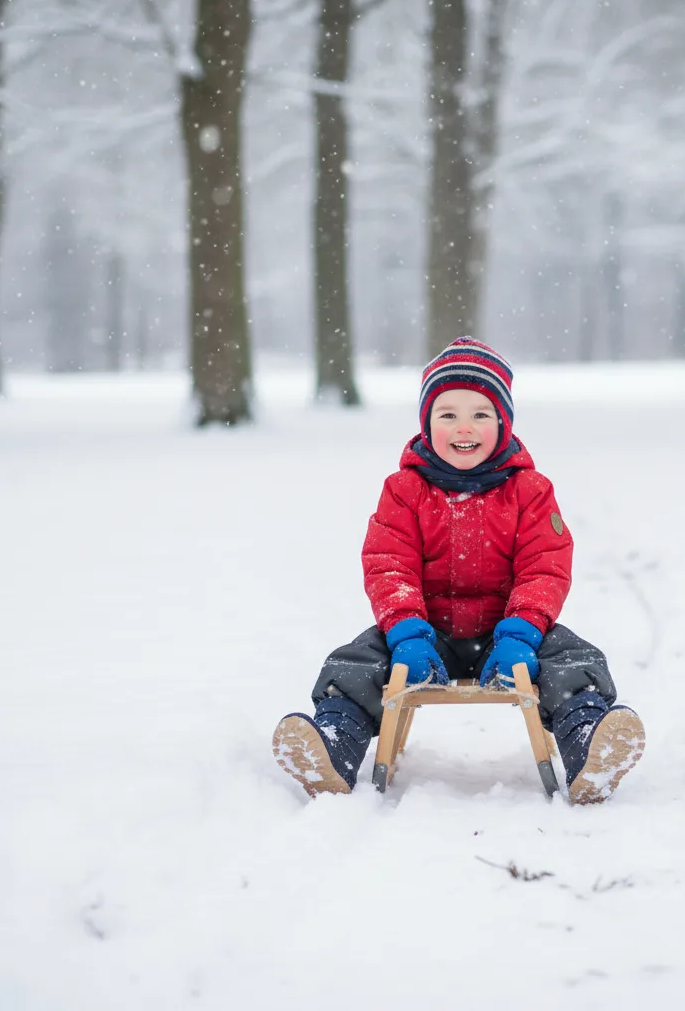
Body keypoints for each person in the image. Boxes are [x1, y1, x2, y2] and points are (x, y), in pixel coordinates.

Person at [272, 336, 645, 803]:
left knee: (574, 661)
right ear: (427, 423)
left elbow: (544, 566)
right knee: (354, 663)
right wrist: (406, 630)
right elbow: (389, 564)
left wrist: (523, 630)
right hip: (423, 635)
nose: (463, 427)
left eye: (480, 415)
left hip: (508, 634)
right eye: (447, 414)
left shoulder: (528, 490)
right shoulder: (405, 489)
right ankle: (332, 747)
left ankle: (589, 743)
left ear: (504, 424)